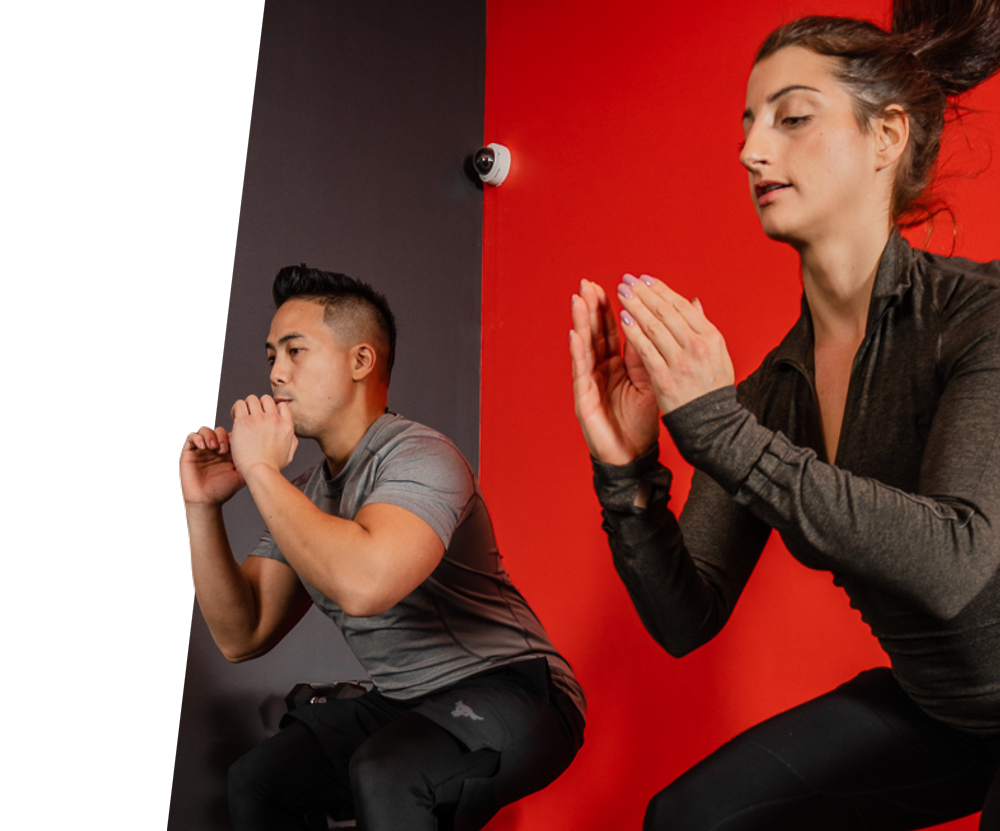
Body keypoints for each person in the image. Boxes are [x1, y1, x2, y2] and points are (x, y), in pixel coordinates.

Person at [570, 0, 1000, 828]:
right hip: (941, 713)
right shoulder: (778, 390)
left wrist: (721, 429)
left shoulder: (979, 316)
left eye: (792, 118)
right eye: (747, 125)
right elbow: (686, 615)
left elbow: (954, 560)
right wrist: (628, 474)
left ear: (887, 137)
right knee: (688, 818)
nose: (750, 149)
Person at [180, 266, 585, 831]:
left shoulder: (423, 456)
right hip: (407, 702)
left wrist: (257, 469)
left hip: (518, 689)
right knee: (260, 780)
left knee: (388, 772)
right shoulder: (306, 495)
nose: (276, 374)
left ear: (360, 361)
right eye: (271, 355)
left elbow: (365, 584)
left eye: (295, 351)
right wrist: (202, 507)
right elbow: (241, 634)